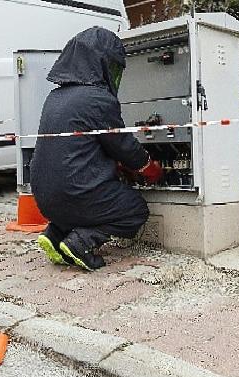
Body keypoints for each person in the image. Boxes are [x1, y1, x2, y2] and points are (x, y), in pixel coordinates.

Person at [30, 27, 163, 271]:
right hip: (76, 193)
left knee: (77, 200)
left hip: (44, 197)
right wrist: (148, 167)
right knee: (135, 210)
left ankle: (55, 235)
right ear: (101, 64)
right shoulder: (98, 98)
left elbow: (80, 148)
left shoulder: (54, 98)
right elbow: (124, 146)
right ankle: (82, 242)